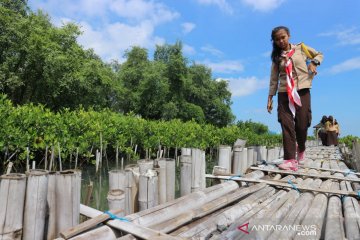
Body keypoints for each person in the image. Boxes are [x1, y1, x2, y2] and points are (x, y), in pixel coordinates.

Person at [267, 26, 323, 171]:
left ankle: (302, 149)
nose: (281, 41)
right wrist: (270, 98)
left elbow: (319, 54)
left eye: (283, 37)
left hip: (302, 90)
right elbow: (274, 79)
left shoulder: (301, 48)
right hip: (284, 92)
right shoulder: (276, 57)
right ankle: (290, 159)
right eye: (277, 39)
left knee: (302, 124)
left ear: (289, 36)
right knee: (286, 124)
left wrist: (313, 63)